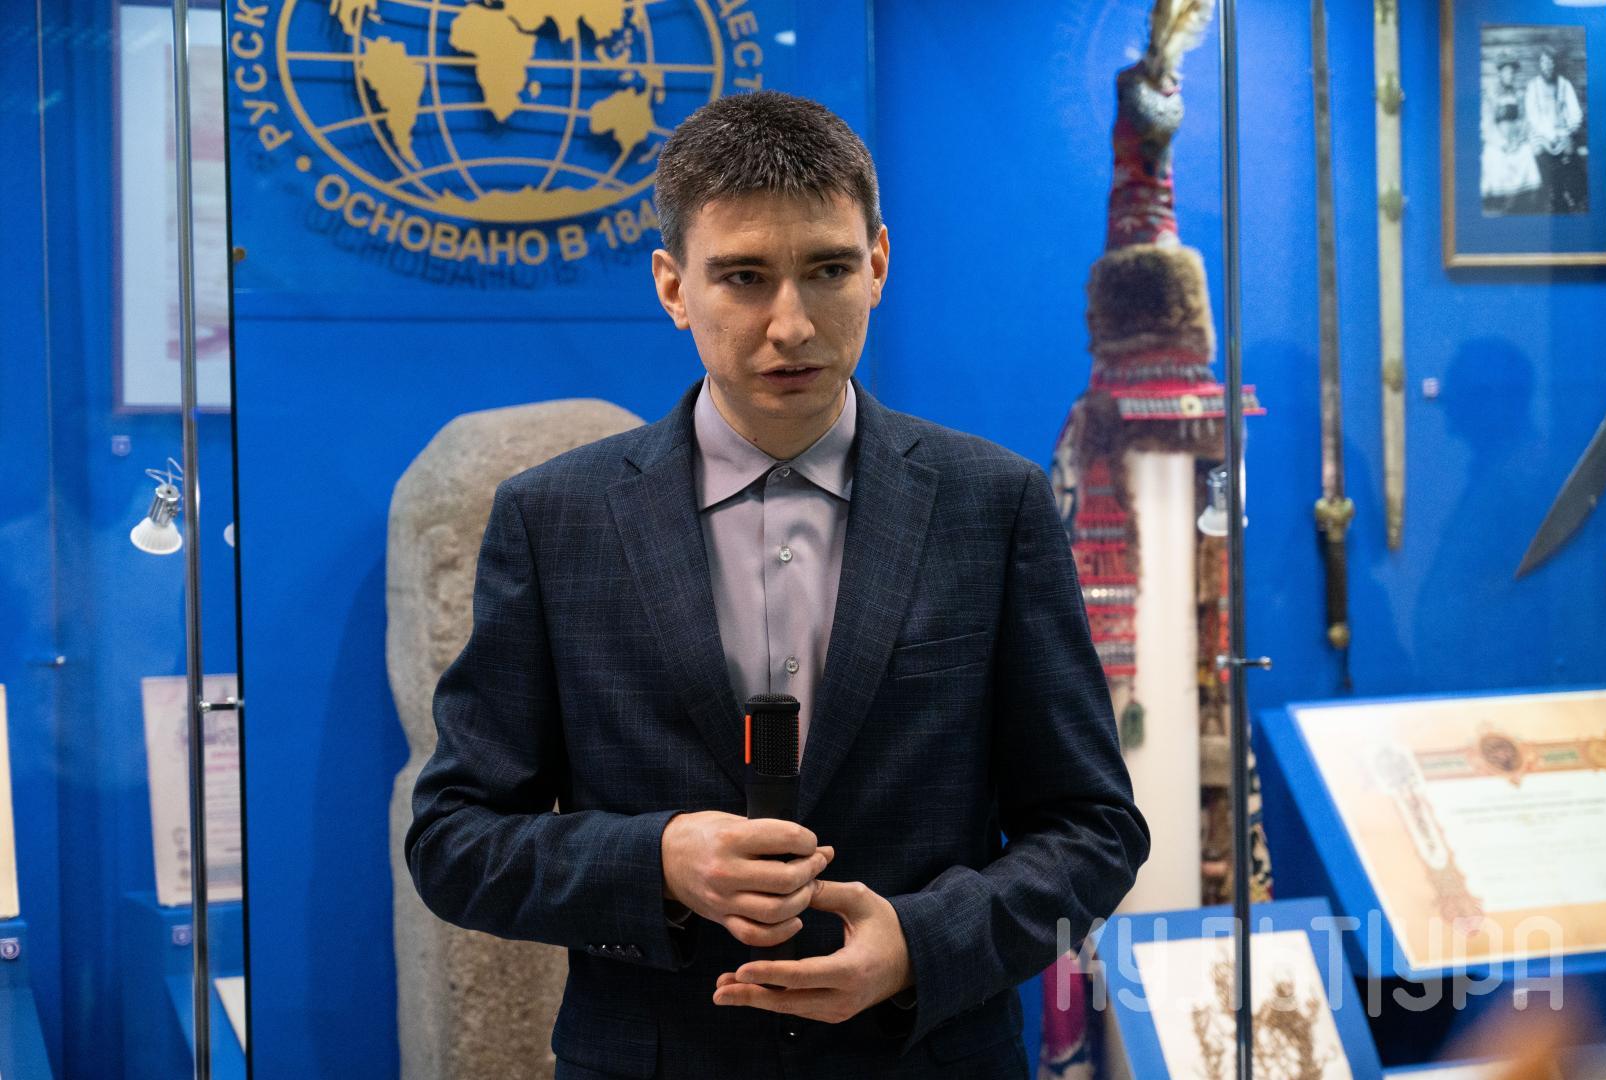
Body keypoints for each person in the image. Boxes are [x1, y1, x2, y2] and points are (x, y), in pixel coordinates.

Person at [406, 90, 1149, 1080]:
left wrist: (920, 945)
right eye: (744, 277)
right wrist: (657, 860)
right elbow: (453, 841)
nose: (790, 324)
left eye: (827, 270)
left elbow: (1093, 829)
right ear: (673, 286)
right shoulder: (554, 520)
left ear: (877, 264)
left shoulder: (993, 503)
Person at [1524, 48, 1586, 213]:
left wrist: (1567, 131)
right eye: (1544, 62)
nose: (1548, 66)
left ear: (1555, 64)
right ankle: (1548, 195)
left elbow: (1576, 113)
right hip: (1541, 134)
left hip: (1562, 133)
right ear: (1540, 64)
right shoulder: (1533, 86)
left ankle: (1568, 195)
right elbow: (1532, 116)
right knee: (1538, 151)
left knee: (1569, 152)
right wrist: (1548, 135)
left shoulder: (1565, 85)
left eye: (1551, 61)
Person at [1479, 56, 1542, 215]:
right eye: (1506, 72)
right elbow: (1487, 123)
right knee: (1494, 158)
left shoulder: (1518, 95)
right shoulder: (1491, 95)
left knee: (1526, 153)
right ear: (1500, 73)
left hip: (1515, 140)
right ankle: (1500, 203)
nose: (1510, 75)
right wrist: (1502, 143)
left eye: (1512, 72)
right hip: (1497, 140)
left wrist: (1517, 140)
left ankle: (1521, 202)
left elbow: (1523, 119)